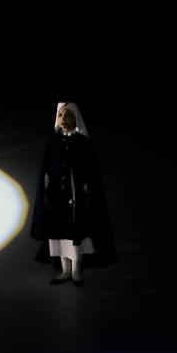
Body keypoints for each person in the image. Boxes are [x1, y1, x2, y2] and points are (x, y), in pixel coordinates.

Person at [30, 102, 110, 287]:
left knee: (75, 233)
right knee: (58, 233)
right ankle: (64, 270)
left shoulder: (83, 142)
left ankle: (75, 270)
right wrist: (46, 189)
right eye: (60, 115)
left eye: (66, 115)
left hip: (75, 196)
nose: (63, 118)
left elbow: (90, 171)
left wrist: (85, 190)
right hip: (56, 196)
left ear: (75, 118)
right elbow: (47, 168)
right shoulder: (53, 141)